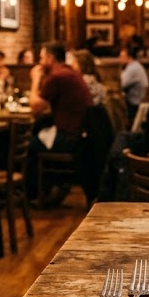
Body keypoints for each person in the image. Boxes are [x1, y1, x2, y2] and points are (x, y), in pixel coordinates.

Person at [28, 41, 92, 203]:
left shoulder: (56, 76)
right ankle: (54, 187)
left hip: (70, 138)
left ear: (50, 58)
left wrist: (35, 79)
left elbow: (35, 107)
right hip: (81, 134)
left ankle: (39, 193)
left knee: (27, 146)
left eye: (41, 58)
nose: (40, 62)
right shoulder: (69, 72)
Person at [119, 43, 149, 125]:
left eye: (122, 57)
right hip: (138, 101)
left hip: (135, 105)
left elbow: (120, 84)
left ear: (128, 57)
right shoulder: (136, 66)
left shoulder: (132, 68)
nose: (120, 59)